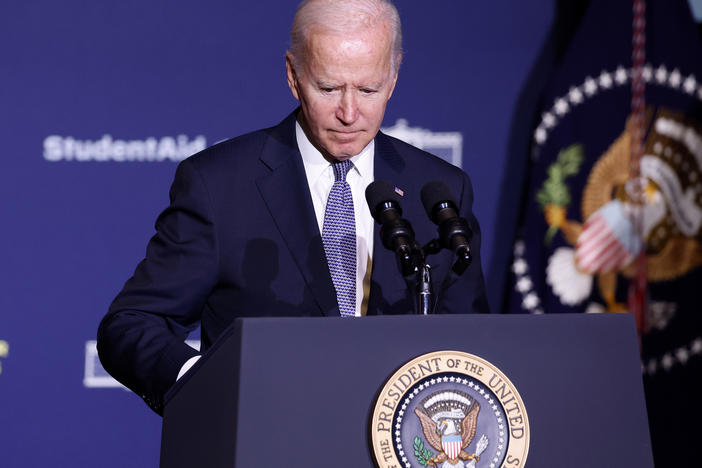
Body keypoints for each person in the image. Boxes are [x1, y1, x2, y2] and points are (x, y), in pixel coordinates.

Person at [97, 0, 489, 415]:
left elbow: (472, 346)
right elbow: (131, 325)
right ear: (293, 75)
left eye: (368, 89)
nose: (349, 113)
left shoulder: (440, 190)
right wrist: (203, 382)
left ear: (393, 78)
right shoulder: (220, 185)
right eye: (329, 88)